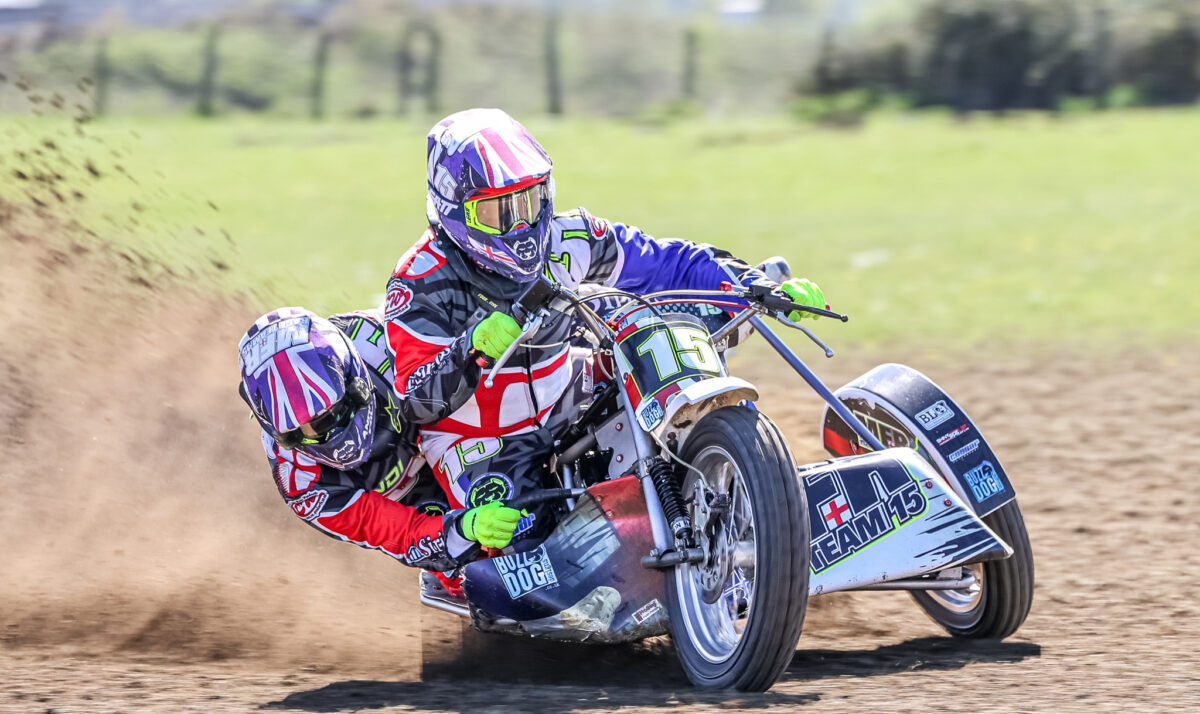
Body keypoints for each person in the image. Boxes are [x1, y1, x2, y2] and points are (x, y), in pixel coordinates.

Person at [382, 108, 827, 538]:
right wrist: (470, 351)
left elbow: (669, 262)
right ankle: (461, 565)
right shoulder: (418, 279)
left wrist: (753, 286)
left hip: (565, 390)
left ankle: (744, 491)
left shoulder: (569, 238)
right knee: (512, 547)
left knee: (661, 345)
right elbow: (414, 404)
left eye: (531, 201)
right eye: (498, 212)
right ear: (454, 209)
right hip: (477, 437)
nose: (521, 224)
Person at [237, 306, 526, 573]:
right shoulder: (300, 481)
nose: (329, 434)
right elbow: (399, 533)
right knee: (477, 569)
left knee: (512, 496)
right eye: (306, 431)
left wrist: (477, 339)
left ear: (350, 375)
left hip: (450, 430)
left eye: (330, 415)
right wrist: (464, 528)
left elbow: (461, 344)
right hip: (407, 496)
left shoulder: (379, 339)